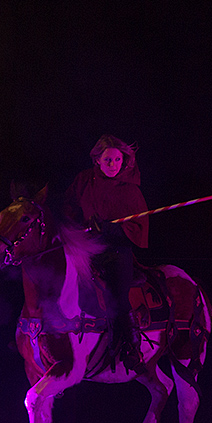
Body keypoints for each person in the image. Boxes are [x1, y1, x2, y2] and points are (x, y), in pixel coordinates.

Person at [66, 134, 149, 372]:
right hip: (86, 247)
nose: (113, 164)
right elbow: (69, 205)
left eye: (117, 160)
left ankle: (133, 348)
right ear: (98, 160)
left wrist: (114, 228)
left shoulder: (130, 190)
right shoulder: (84, 180)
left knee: (118, 296)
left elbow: (139, 226)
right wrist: (80, 222)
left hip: (115, 250)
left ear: (125, 161)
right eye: (108, 160)